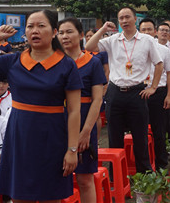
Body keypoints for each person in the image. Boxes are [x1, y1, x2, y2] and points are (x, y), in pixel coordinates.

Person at [0, 10, 82, 202]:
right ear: (25, 32)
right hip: (20, 137)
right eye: (30, 26)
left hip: (52, 138)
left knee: (50, 196)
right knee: (20, 195)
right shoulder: (13, 61)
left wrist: (72, 150)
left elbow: (74, 110)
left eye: (41, 26)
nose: (34, 30)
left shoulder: (66, 65)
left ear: (54, 32)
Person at [84, 7, 163, 173]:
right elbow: (90, 47)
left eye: (127, 17)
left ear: (135, 19)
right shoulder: (113, 40)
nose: (124, 21)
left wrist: (153, 87)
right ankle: (116, 175)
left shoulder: (147, 40)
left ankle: (144, 175)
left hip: (137, 92)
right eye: (121, 18)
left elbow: (159, 63)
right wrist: (103, 29)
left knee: (140, 136)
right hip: (115, 92)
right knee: (114, 136)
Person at [58, 18, 106, 203]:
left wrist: (86, 131)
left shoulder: (92, 62)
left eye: (69, 32)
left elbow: (97, 99)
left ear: (80, 35)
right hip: (58, 122)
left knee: (84, 179)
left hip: (85, 119)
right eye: (61, 32)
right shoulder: (55, 61)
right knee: (58, 175)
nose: (64, 36)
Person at [138, 19, 170, 171]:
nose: (146, 33)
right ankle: (142, 166)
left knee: (158, 129)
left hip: (158, 93)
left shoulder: (163, 50)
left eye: (149, 30)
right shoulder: (133, 50)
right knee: (139, 130)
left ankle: (161, 163)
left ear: (155, 32)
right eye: (143, 30)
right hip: (139, 92)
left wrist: (169, 95)